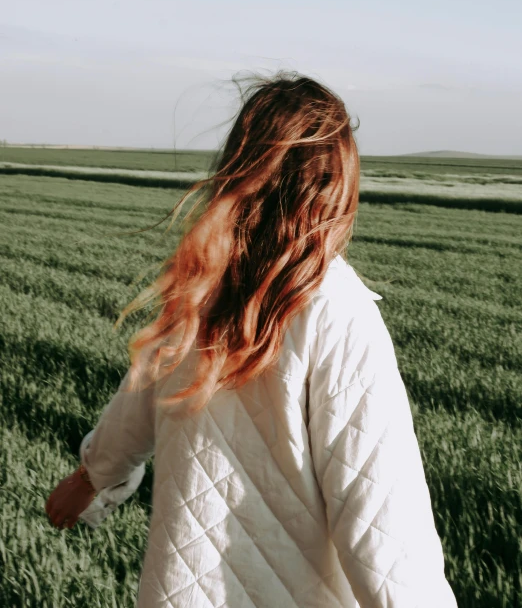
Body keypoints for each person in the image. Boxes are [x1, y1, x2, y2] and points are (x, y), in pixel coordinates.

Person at [45, 71, 458, 607]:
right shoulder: (340, 312)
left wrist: (91, 478)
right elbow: (381, 523)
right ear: (337, 186)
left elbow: (136, 401)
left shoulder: (200, 289)